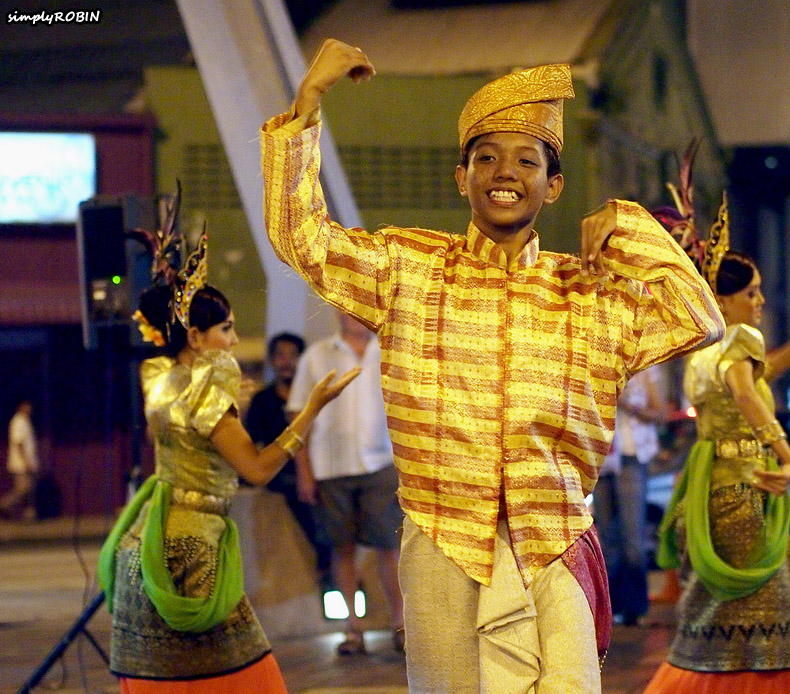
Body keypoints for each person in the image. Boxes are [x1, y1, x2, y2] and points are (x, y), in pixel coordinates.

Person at [261, 38, 724, 693]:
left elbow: (698, 317)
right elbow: (302, 240)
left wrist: (630, 226)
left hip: (553, 540)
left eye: (526, 160)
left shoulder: (587, 292)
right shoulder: (410, 269)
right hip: (443, 539)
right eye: (486, 157)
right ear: (462, 178)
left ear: (553, 185)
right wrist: (308, 103)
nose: (504, 171)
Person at [96, 227, 358, 692]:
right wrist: (311, 410)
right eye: (227, 329)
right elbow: (257, 469)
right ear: (196, 336)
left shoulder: (159, 377)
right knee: (249, 680)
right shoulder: (209, 389)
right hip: (191, 554)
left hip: (148, 544)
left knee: (162, 678)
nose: (235, 341)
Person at [644, 211, 790, 691]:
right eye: (751, 293)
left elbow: (748, 378)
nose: (761, 301)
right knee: (763, 618)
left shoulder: (702, 349)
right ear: (723, 301)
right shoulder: (742, 341)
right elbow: (747, 394)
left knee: (713, 616)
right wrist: (788, 457)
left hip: (710, 494)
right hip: (747, 492)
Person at [286, 311, 403, 655]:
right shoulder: (317, 355)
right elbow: (298, 415)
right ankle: (353, 628)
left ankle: (401, 625)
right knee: (342, 548)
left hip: (381, 464)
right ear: (338, 310)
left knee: (390, 547)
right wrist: (304, 470)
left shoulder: (391, 350)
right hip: (330, 466)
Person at [244, 332, 334, 585]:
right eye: (280, 356)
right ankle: (325, 559)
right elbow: (251, 441)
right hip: (280, 473)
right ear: (272, 360)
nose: (287, 362)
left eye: (293, 356)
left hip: (317, 466)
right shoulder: (262, 400)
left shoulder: (315, 399)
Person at [595, 365, 667, 626]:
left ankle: (636, 608)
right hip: (601, 458)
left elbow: (659, 413)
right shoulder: (594, 366)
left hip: (631, 456)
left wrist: (627, 405)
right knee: (606, 537)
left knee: (632, 535)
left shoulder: (644, 370)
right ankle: (609, 609)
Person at [1, 399, 39, 521]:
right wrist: (26, 461)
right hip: (21, 464)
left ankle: (29, 515)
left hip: (27, 463)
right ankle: (4, 504)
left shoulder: (25, 421)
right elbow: (19, 443)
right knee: (23, 489)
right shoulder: (18, 422)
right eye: (27, 406)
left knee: (30, 490)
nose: (30, 408)